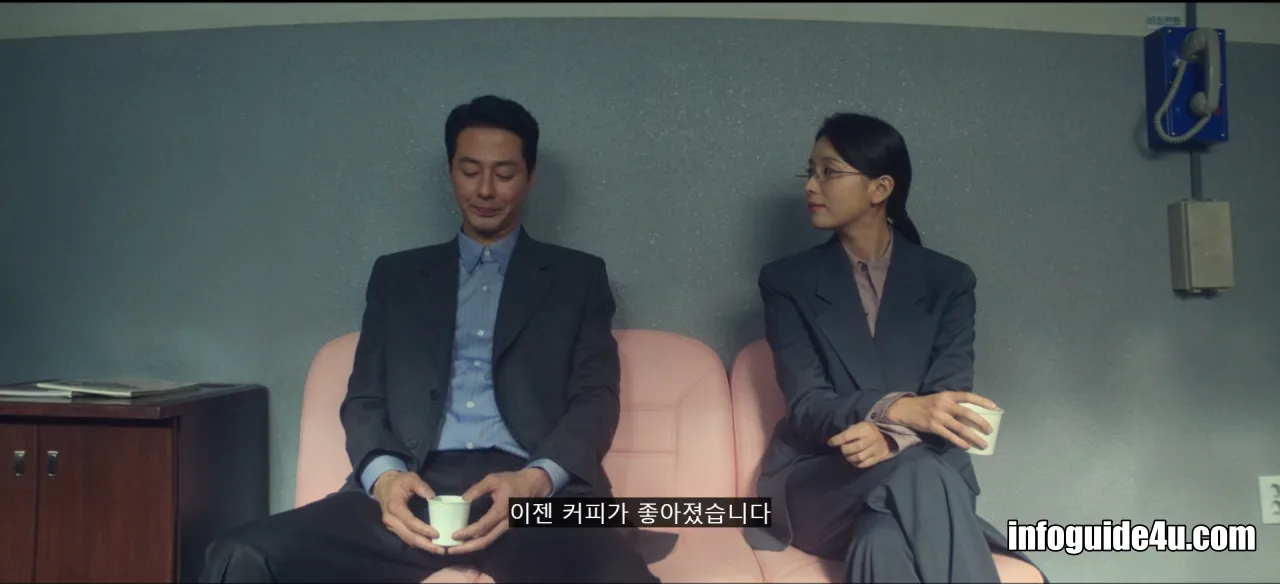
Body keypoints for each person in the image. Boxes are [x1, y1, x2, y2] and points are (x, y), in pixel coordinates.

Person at [200, 95, 659, 583]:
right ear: (450, 172)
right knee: (241, 554)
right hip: (412, 485)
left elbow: (595, 399)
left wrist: (535, 480)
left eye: (504, 174)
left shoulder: (578, 277)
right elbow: (364, 399)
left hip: (531, 491)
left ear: (530, 177)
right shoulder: (396, 277)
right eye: (470, 171)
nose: (485, 189)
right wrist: (384, 479)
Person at [742, 113, 1047, 582]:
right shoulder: (787, 281)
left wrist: (890, 437)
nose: (811, 186)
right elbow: (807, 406)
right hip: (826, 483)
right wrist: (899, 410)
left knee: (881, 541)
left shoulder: (949, 281)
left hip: (919, 476)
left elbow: (949, 402)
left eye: (829, 172)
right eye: (811, 172)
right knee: (919, 473)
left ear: (880, 188)